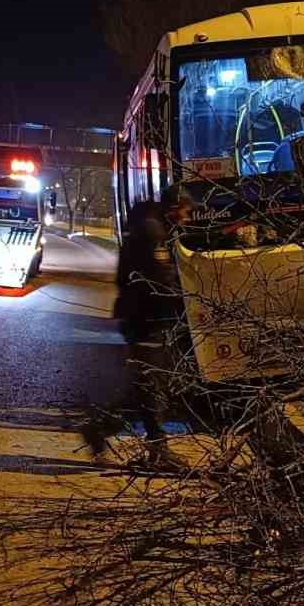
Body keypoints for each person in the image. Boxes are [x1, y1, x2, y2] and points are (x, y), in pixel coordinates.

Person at [82, 187, 189, 469]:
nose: (188, 218)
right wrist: (184, 303)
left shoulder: (150, 226)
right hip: (146, 318)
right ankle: (152, 448)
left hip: (141, 316)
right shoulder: (153, 234)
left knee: (147, 386)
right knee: (150, 386)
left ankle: (103, 429)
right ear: (174, 207)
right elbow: (160, 281)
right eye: (186, 212)